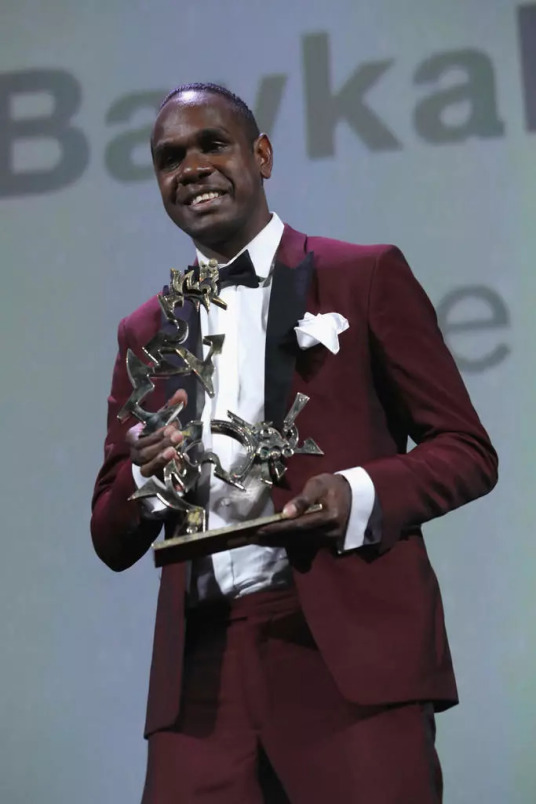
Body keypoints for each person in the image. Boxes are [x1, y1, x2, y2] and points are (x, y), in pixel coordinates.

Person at [91, 82, 498, 803]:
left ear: (263, 156)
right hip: (201, 674)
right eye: (170, 158)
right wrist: (147, 480)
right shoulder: (145, 332)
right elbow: (109, 535)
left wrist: (356, 492)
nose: (192, 167)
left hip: (346, 652)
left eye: (213, 144)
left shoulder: (363, 276)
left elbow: (465, 449)